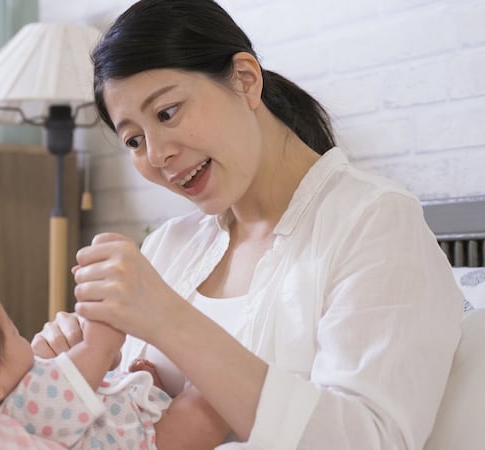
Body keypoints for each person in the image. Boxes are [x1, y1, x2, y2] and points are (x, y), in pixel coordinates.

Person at [32, 0, 463, 449]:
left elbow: (368, 439)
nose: (157, 155)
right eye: (134, 140)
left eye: (166, 112)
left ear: (245, 80)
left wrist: (168, 319)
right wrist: (74, 368)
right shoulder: (169, 247)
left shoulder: (374, 221)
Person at [0, 276, 226, 449]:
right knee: (206, 409)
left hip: (117, 416)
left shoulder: (0, 407)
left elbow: (97, 370)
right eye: (14, 332)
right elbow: (100, 347)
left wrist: (106, 362)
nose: (25, 339)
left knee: (134, 377)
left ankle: (154, 393)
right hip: (142, 442)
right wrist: (102, 301)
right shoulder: (28, 400)